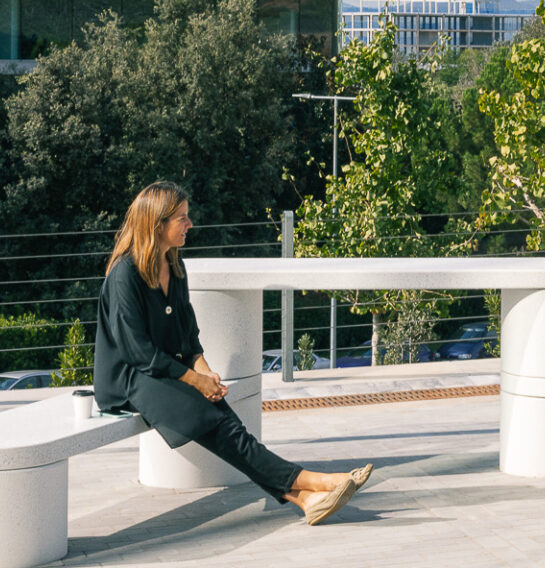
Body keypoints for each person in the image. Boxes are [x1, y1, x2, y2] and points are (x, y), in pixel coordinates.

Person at [94, 182, 373, 523]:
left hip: (166, 370)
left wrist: (205, 372)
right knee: (224, 429)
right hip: (130, 379)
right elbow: (138, 352)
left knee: (229, 428)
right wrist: (195, 380)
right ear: (156, 224)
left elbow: (189, 337)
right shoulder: (125, 274)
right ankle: (320, 480)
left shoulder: (175, 267)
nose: (190, 224)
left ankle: (307, 501)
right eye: (182, 218)